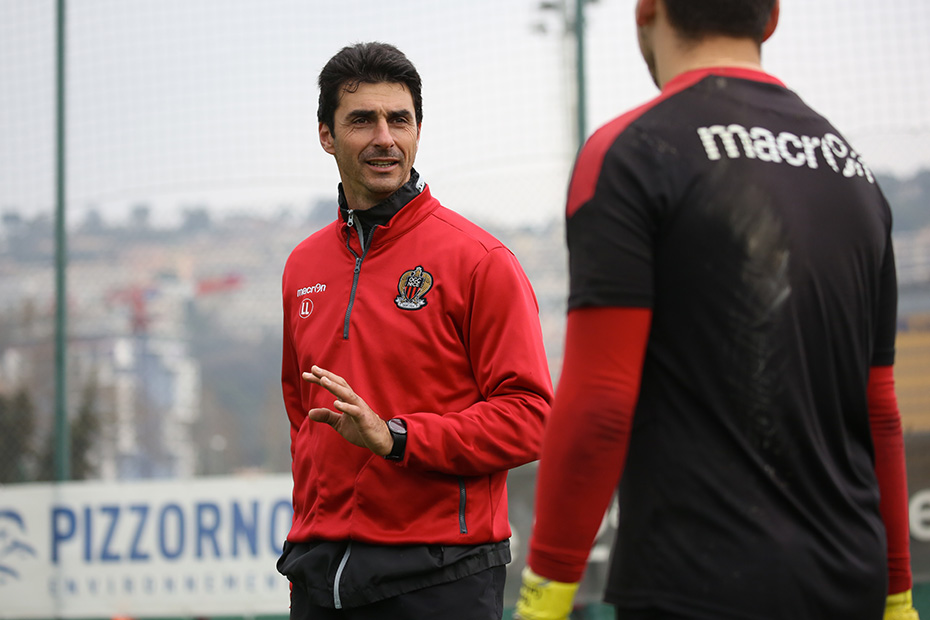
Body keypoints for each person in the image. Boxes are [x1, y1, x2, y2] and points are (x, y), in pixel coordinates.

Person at [515, 1, 920, 619]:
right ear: (771, 17)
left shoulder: (632, 149)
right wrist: (898, 596)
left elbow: (600, 400)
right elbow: (880, 411)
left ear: (647, 10)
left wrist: (543, 599)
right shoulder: (855, 175)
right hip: (852, 579)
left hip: (697, 586)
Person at [276, 41, 553, 620]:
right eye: (362, 120)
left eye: (399, 120)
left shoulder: (480, 260)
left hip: (442, 573)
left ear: (418, 131)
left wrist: (398, 437)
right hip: (320, 575)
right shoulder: (302, 266)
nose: (385, 137)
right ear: (326, 135)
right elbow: (303, 418)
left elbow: (532, 417)